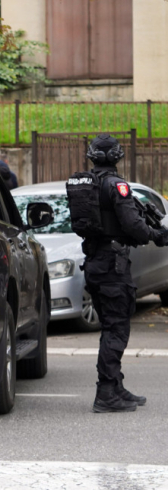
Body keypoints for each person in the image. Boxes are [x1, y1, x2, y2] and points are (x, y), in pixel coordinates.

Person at [71, 134, 168, 413]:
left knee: (110, 328)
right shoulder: (117, 187)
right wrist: (158, 235)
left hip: (94, 262)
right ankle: (106, 394)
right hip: (112, 266)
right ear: (117, 156)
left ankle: (114, 386)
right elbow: (134, 227)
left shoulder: (87, 185)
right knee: (116, 329)